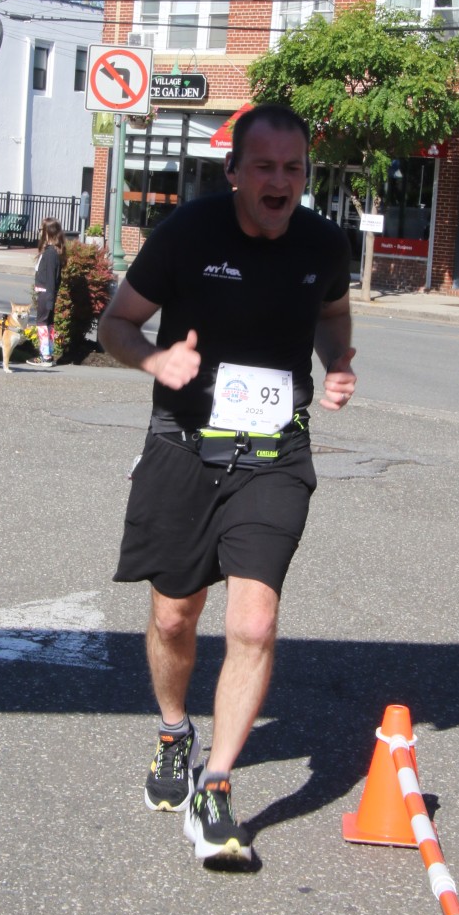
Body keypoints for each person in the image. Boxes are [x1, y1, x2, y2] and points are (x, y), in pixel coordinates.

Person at [98, 104, 355, 864]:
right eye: (265, 167)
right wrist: (154, 360)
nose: (281, 181)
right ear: (235, 172)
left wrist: (338, 363)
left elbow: (333, 315)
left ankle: (216, 785)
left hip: (275, 454)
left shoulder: (322, 243)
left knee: (253, 623)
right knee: (175, 617)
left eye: (294, 168)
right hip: (182, 447)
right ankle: (174, 731)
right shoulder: (188, 232)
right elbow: (116, 323)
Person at [27, 219, 65, 370]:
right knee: (48, 324)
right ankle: (49, 354)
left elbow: (50, 278)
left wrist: (49, 299)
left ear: (48, 232)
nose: (40, 232)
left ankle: (45, 356)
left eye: (41, 229)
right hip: (47, 293)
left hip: (45, 293)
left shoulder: (50, 254)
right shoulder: (53, 251)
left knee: (42, 323)